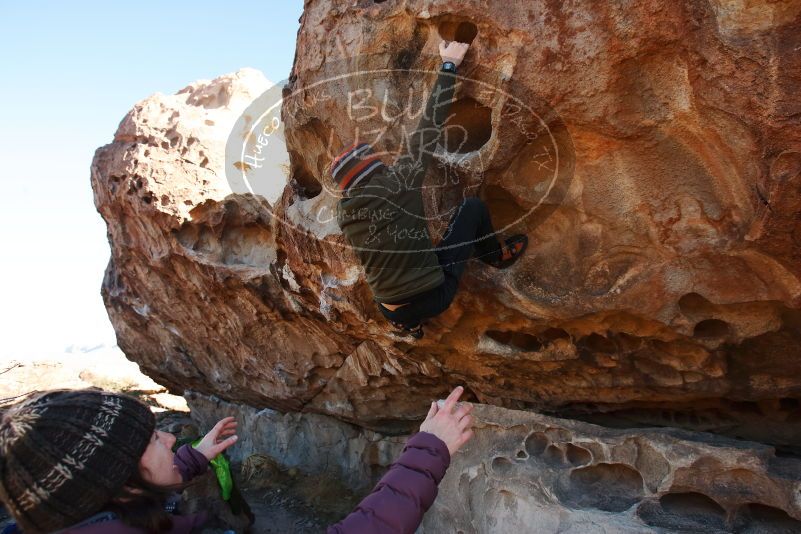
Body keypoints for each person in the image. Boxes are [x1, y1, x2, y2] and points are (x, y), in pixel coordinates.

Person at [0, 386, 473, 533]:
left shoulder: (71, 513)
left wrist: (194, 458)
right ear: (120, 484)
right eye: (148, 441)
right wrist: (428, 449)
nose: (167, 438)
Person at [332, 39, 528, 339]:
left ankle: (408, 326)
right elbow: (430, 123)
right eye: (376, 159)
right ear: (372, 169)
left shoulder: (345, 213)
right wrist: (449, 64)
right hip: (434, 296)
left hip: (388, 307)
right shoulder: (401, 181)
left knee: (402, 266)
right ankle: (495, 256)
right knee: (472, 209)